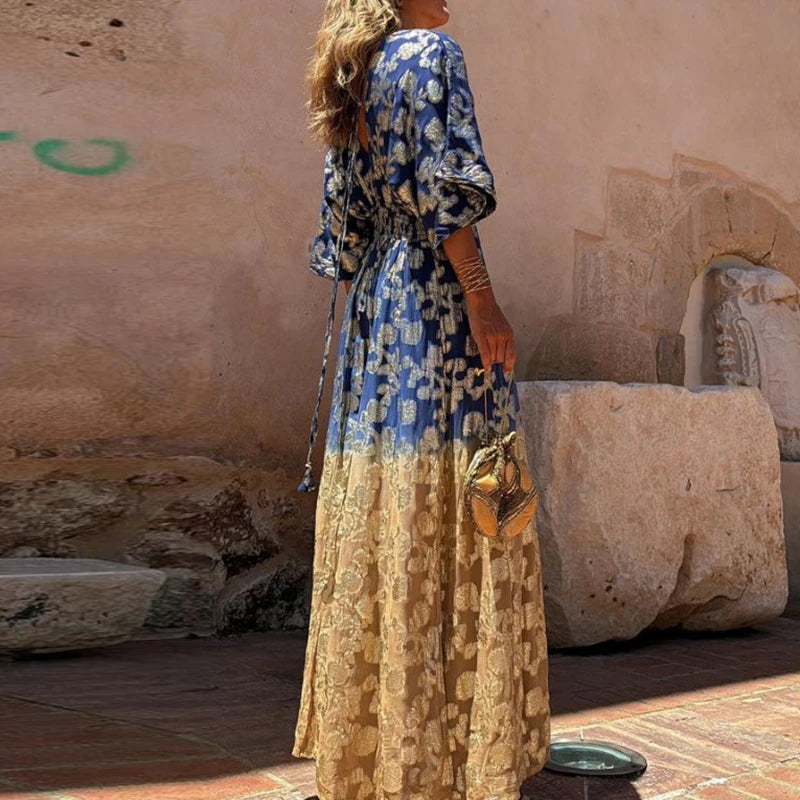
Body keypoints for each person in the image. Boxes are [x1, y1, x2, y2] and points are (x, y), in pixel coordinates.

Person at [292, 1, 551, 798]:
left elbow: (342, 238)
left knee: (388, 508)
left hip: (379, 311)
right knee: (476, 500)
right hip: (438, 307)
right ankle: (460, 749)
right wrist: (482, 298)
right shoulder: (431, 55)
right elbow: (448, 196)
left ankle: (382, 749)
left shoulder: (353, 73)